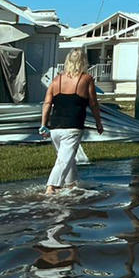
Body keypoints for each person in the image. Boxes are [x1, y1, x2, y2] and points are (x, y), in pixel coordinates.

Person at [40, 48, 104, 195]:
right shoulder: (86, 79)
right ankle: (52, 187)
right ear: (83, 62)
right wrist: (98, 123)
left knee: (67, 158)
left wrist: (43, 125)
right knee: (64, 160)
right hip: (73, 126)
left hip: (55, 128)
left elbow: (47, 103)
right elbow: (93, 104)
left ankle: (71, 184)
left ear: (67, 61)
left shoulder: (56, 80)